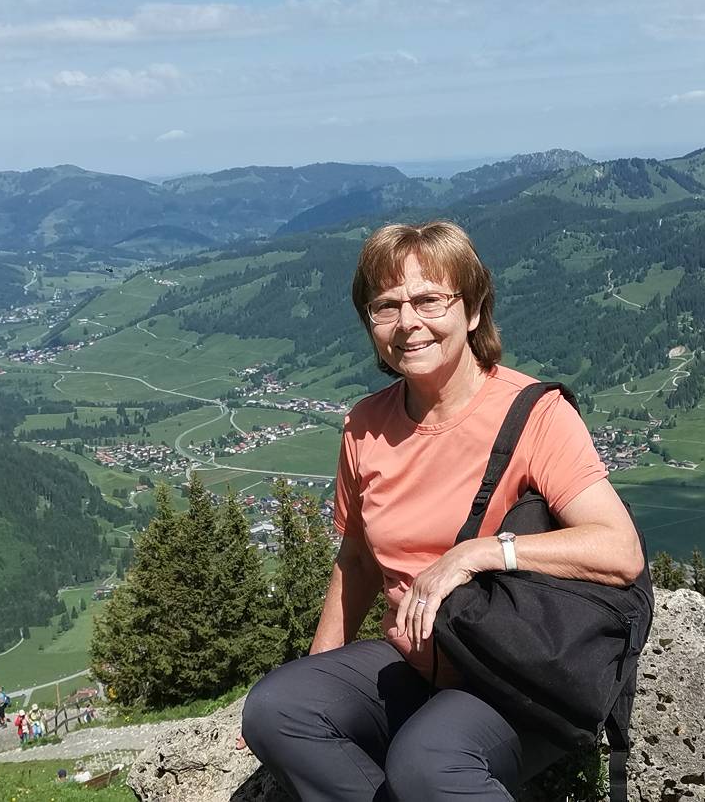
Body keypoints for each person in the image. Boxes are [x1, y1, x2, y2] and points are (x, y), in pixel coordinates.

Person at [241, 220, 645, 801]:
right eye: (386, 306)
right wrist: (318, 672)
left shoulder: (536, 415)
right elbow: (356, 562)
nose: (408, 322)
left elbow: (619, 550)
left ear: (473, 310)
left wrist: (479, 553)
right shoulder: (364, 427)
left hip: (512, 670)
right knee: (278, 709)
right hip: (414, 663)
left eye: (429, 300)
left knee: (427, 764)